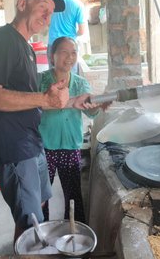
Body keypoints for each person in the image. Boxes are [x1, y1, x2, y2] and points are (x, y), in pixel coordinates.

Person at [0, 0, 96, 243]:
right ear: (23, 5)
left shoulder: (27, 49)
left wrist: (72, 101)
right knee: (30, 222)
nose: (47, 15)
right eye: (42, 6)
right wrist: (44, 97)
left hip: (31, 142)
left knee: (39, 203)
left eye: (51, 12)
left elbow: (34, 102)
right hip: (13, 148)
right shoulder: (1, 41)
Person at [39, 37, 111, 223]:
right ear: (52, 55)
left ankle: (73, 234)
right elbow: (34, 107)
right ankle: (40, 236)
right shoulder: (41, 81)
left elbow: (91, 111)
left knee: (73, 196)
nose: (69, 57)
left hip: (71, 146)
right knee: (40, 197)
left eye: (74, 53)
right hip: (44, 146)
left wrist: (98, 104)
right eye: (64, 52)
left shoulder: (80, 83)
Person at [47, 0, 90, 74]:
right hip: (69, 46)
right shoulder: (78, 4)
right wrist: (75, 34)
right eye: (85, 0)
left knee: (52, 75)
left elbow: (47, 22)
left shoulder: (57, 1)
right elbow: (82, 31)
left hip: (52, 43)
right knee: (70, 76)